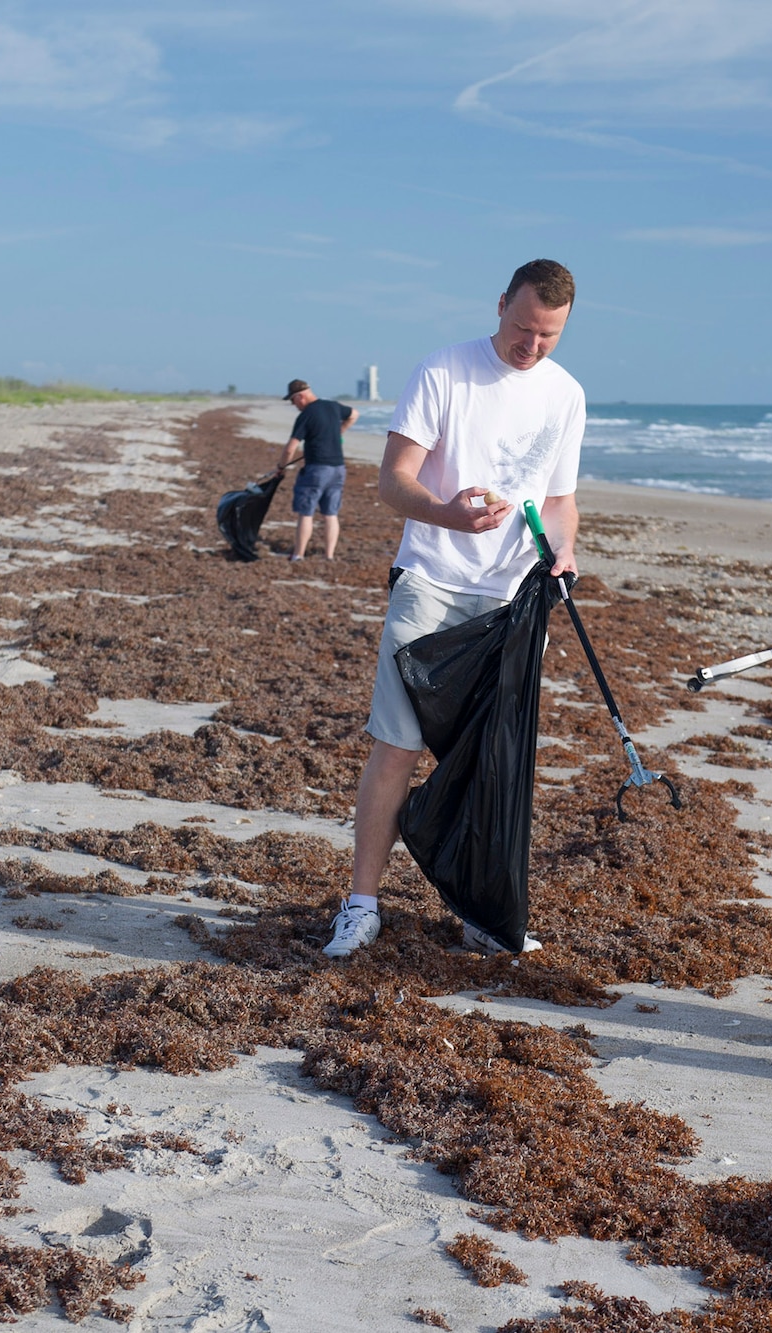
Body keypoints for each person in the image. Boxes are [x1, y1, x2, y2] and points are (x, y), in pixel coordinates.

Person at [323, 259, 586, 959]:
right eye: (524, 329)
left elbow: (559, 502)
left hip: (508, 601)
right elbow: (391, 481)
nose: (532, 347)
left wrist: (560, 553)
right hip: (432, 582)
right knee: (398, 746)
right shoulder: (444, 372)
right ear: (500, 305)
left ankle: (478, 909)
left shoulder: (566, 395)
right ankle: (362, 904)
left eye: (548, 336)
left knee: (488, 764)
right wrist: (445, 512)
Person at [279, 380, 358, 561]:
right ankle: (328, 556)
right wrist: (339, 433)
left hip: (317, 470)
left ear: (300, 396)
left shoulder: (306, 415)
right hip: (338, 468)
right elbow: (354, 414)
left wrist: (281, 467)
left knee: (306, 512)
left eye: (293, 401)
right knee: (331, 514)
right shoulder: (333, 406)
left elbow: (290, 448)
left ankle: (299, 554)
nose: (294, 406)